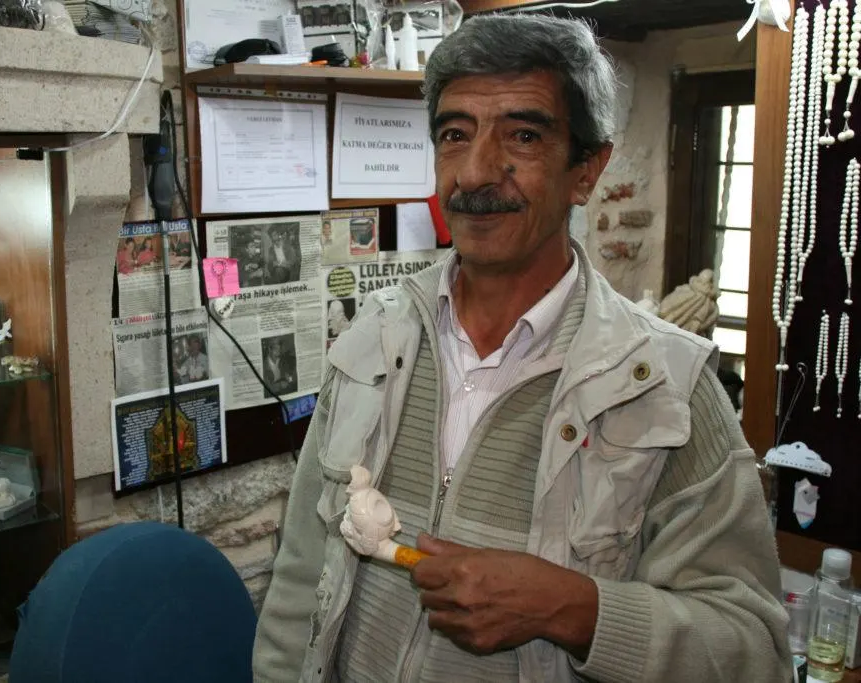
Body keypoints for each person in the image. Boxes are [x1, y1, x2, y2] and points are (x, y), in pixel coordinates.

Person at [254, 14, 789, 683]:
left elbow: (753, 650)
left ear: (586, 171)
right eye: (455, 134)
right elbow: (301, 579)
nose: (476, 172)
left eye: (524, 135)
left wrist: (577, 609)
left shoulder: (664, 389)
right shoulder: (374, 338)